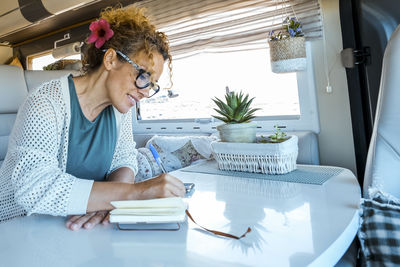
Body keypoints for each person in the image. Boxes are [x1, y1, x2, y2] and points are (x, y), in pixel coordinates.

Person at [0, 6, 186, 230]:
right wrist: (135, 193)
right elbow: (34, 186)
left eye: (152, 84)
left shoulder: (121, 109)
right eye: (143, 76)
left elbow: (124, 160)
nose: (146, 92)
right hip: (18, 227)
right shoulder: (45, 103)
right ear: (110, 59)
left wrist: (109, 200)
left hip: (78, 229)